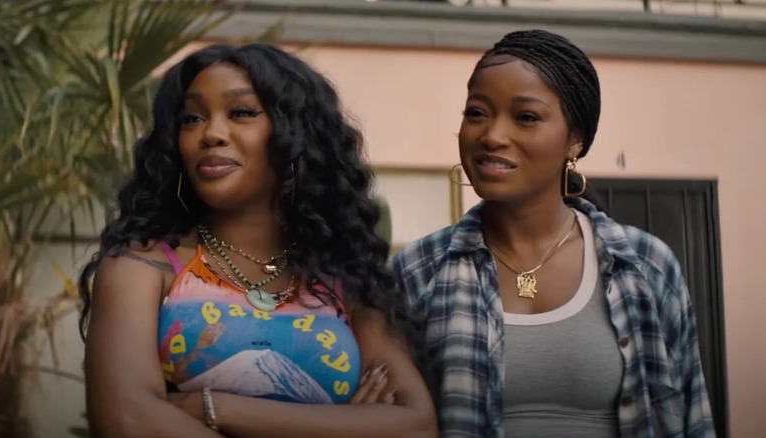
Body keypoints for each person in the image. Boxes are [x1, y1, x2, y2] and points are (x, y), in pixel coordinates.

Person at [78, 43, 436, 438]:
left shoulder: (347, 278)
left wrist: (212, 407)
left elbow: (415, 425)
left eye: (241, 112)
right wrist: (344, 427)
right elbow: (126, 419)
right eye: (192, 118)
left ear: (296, 133)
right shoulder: (143, 266)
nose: (211, 134)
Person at [391, 29, 715, 437]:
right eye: (476, 113)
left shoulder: (645, 264)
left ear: (575, 140)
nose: (492, 135)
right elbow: (392, 416)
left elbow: (693, 415)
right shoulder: (416, 271)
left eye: (526, 117)